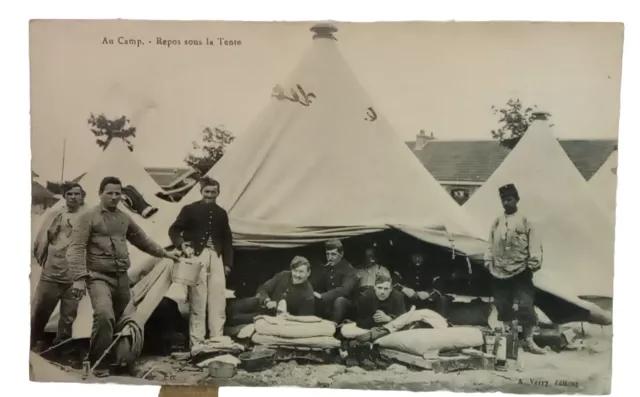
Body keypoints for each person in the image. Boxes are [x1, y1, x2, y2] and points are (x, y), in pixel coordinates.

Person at [66, 176, 180, 377]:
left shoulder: (124, 218)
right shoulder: (88, 217)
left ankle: (119, 360)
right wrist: (79, 277)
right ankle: (98, 363)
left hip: (121, 278)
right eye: (109, 193)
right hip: (98, 276)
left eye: (118, 193)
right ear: (100, 193)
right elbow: (76, 249)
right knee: (104, 315)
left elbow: (143, 241)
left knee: (123, 319)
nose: (114, 197)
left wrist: (165, 253)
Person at [168, 176, 234, 355]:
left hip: (217, 257)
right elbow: (174, 230)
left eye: (213, 193)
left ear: (218, 193)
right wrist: (182, 245)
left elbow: (227, 240)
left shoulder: (221, 213)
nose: (210, 196)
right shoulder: (189, 209)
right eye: (207, 192)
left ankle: (216, 339)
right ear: (201, 191)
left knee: (218, 299)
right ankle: (197, 343)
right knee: (198, 299)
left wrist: (227, 263)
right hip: (197, 256)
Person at [484, 183, 546, 355]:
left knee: (525, 305)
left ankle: (529, 340)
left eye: (509, 199)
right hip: (499, 270)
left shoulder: (526, 221)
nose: (506, 203)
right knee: (503, 306)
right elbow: (490, 243)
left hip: (521, 270)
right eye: (503, 200)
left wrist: (533, 262)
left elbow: (534, 243)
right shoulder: (497, 222)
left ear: (517, 199)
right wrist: (488, 260)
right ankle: (509, 342)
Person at [31, 182, 87, 354]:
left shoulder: (89, 217)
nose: (73, 197)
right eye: (69, 194)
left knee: (68, 316)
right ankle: (32, 342)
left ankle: (60, 348)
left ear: (82, 196)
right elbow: (41, 241)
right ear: (64, 196)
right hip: (52, 272)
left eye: (76, 194)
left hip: (74, 276)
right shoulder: (55, 215)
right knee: (39, 311)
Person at [227, 256, 315, 326]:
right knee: (231, 306)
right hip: (261, 303)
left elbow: (301, 322)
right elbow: (263, 288)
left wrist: (284, 314)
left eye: (301, 272)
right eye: (295, 271)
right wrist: (267, 301)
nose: (297, 275)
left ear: (308, 273)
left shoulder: (308, 295)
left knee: (233, 318)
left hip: (269, 318)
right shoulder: (284, 275)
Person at [310, 239, 357, 324]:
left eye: (333, 254)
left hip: (347, 306)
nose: (330, 258)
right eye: (327, 254)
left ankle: (333, 328)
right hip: (329, 305)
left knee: (340, 301)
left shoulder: (348, 269)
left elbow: (345, 290)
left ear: (341, 254)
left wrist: (323, 296)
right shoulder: (327, 267)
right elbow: (316, 284)